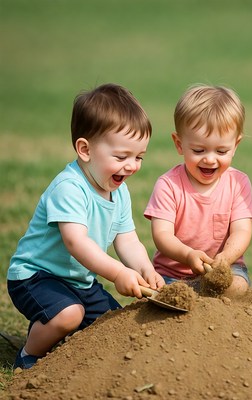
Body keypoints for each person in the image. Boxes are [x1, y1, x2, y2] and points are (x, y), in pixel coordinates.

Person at [7, 83, 164, 369]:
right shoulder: (69, 187)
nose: (131, 166)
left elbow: (127, 240)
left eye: (139, 157)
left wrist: (145, 270)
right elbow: (75, 242)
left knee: (115, 327)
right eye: (121, 157)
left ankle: (56, 334)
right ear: (85, 149)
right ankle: (29, 354)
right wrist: (118, 272)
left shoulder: (119, 192)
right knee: (69, 314)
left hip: (81, 282)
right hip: (36, 277)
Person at [144, 84, 252, 297]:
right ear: (179, 144)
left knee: (237, 286)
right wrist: (188, 255)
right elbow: (161, 234)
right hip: (173, 273)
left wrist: (225, 257)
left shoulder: (238, 182)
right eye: (198, 150)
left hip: (225, 268)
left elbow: (242, 230)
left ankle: (201, 295)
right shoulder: (169, 184)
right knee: (163, 293)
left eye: (221, 151)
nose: (209, 159)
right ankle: (190, 294)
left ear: (236, 145)